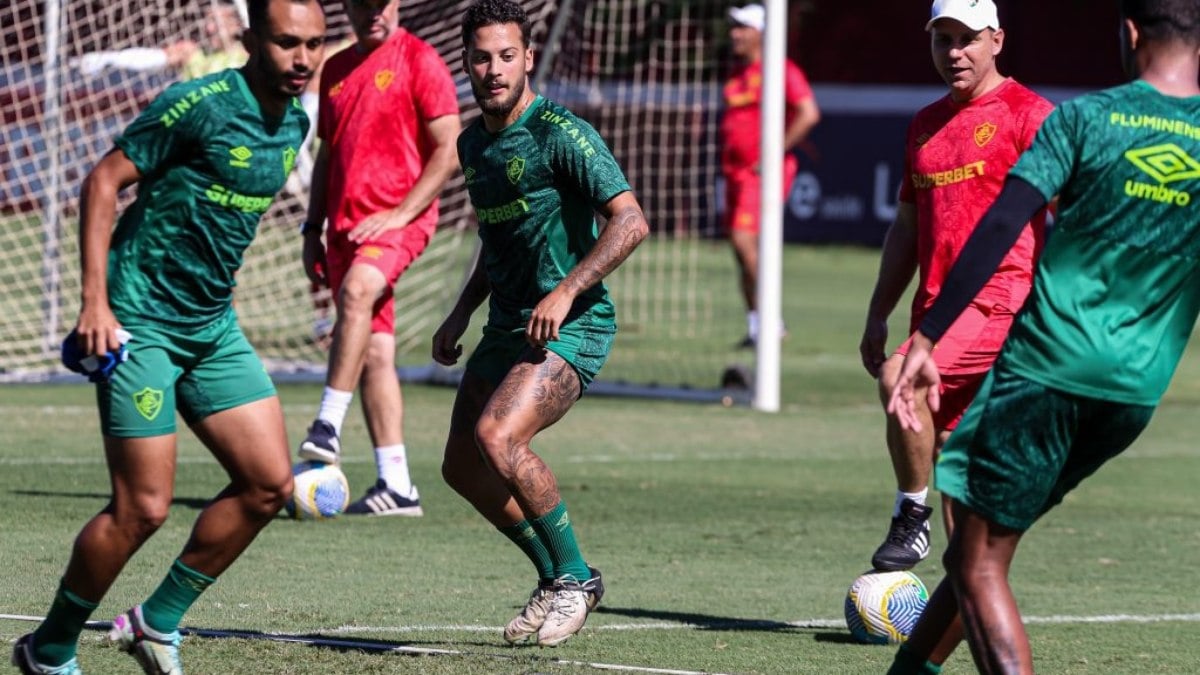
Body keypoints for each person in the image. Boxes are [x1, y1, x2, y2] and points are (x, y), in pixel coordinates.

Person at [9, 1, 325, 674]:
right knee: (143, 508)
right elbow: (102, 181)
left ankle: (156, 622)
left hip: (211, 327)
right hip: (139, 323)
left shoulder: (295, 123)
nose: (301, 58)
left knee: (269, 486)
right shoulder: (198, 102)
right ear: (250, 40)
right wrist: (96, 303)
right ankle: (51, 647)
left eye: (314, 44)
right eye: (286, 42)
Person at [884, 1, 1200, 672]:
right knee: (981, 544)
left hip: (1046, 370)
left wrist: (925, 337)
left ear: (1132, 32)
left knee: (975, 557)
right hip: (1136, 394)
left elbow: (1000, 226)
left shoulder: (1085, 118)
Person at [433, 0, 649, 647]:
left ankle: (576, 578)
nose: (494, 69)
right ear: (466, 62)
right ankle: (559, 577)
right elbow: (498, 241)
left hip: (573, 324)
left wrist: (565, 291)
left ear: (528, 58)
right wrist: (460, 310)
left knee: (497, 436)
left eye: (507, 55)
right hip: (506, 326)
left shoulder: (561, 131)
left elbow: (631, 220)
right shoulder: (473, 143)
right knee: (460, 468)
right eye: (481, 57)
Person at [859, 0, 1053, 572]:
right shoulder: (924, 124)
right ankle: (960, 616)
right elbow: (908, 227)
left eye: (966, 39)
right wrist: (878, 312)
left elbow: (1075, 217)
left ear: (998, 39)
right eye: (942, 39)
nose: (954, 52)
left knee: (900, 378)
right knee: (957, 479)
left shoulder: (1030, 114)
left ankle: (908, 514)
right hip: (935, 315)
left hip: (1000, 305)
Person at [296, 0, 461, 516]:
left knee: (359, 291)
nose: (374, 13)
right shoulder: (337, 69)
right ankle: (397, 485)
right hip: (344, 229)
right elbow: (327, 153)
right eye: (363, 4)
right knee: (375, 352)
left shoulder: (421, 60)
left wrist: (400, 214)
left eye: (382, 3)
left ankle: (326, 424)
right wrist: (310, 228)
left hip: (397, 224)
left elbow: (449, 149)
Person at [721, 3, 820, 348]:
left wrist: (773, 151)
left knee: (743, 240)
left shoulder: (780, 69)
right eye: (734, 27)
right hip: (735, 173)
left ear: (761, 33)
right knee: (741, 251)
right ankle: (755, 325)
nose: (735, 34)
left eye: (743, 27)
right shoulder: (737, 74)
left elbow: (808, 113)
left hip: (761, 173)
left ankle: (771, 321)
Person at [73, 2, 248, 81]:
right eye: (208, 22)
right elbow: (153, 57)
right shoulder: (191, 53)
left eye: (217, 24)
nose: (209, 29)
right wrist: (109, 59)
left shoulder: (248, 57)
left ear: (236, 25)